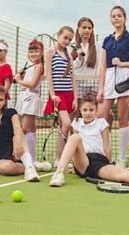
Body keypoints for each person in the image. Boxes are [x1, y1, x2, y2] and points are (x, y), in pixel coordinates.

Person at [49, 92, 129, 189]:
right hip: (83, 161)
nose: (88, 113)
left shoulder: (102, 123)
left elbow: (107, 146)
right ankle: (59, 173)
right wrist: (71, 164)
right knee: (75, 137)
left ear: (96, 110)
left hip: (99, 161)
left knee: (119, 174)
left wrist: (110, 162)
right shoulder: (76, 124)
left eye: (91, 110)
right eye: (85, 110)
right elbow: (74, 147)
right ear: (80, 110)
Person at [97, 5, 129, 168]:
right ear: (111, 19)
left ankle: (122, 159)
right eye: (113, 16)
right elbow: (103, 66)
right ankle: (103, 155)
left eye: (119, 16)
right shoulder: (107, 40)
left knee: (122, 119)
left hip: (125, 81)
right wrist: (101, 87)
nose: (116, 18)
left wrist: (122, 64)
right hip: (109, 79)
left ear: (124, 18)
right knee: (100, 118)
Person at [14, 39, 51, 171]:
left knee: (24, 129)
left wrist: (19, 80)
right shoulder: (29, 67)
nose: (33, 53)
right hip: (25, 96)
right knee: (31, 129)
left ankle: (26, 158)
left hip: (31, 96)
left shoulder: (39, 66)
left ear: (41, 52)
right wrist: (21, 75)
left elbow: (33, 84)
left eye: (36, 51)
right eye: (31, 51)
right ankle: (33, 159)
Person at [43, 26, 77, 168]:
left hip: (69, 94)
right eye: (65, 37)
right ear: (58, 35)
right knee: (67, 124)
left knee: (67, 127)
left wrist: (75, 98)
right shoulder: (50, 51)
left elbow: (72, 78)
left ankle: (64, 159)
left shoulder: (69, 55)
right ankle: (58, 159)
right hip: (58, 95)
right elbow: (48, 74)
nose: (67, 41)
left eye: (70, 39)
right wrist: (52, 95)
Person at [70, 17, 103, 111]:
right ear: (78, 28)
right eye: (84, 27)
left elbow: (101, 66)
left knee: (95, 113)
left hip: (94, 84)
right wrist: (79, 58)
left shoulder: (98, 46)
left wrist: (100, 86)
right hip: (77, 85)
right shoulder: (71, 47)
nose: (87, 30)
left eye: (89, 28)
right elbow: (72, 67)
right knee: (77, 112)